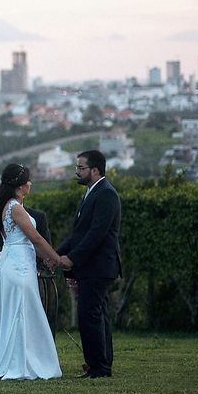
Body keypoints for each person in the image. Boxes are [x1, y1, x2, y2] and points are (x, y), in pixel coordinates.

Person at [0, 163, 66, 381]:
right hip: (19, 267)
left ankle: (23, 360)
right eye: (27, 180)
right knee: (19, 312)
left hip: (17, 263)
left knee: (22, 311)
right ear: (19, 186)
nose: (30, 183)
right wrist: (56, 259)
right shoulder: (15, 209)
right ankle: (19, 363)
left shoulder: (8, 207)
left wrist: (45, 258)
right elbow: (35, 238)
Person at [57, 150, 122, 378]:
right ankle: (102, 363)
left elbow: (96, 234)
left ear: (94, 170)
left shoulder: (106, 194)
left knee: (89, 314)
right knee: (97, 314)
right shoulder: (92, 193)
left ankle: (99, 367)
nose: (76, 171)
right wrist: (56, 255)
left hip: (98, 267)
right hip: (93, 267)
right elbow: (79, 235)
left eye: (80, 168)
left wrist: (72, 258)